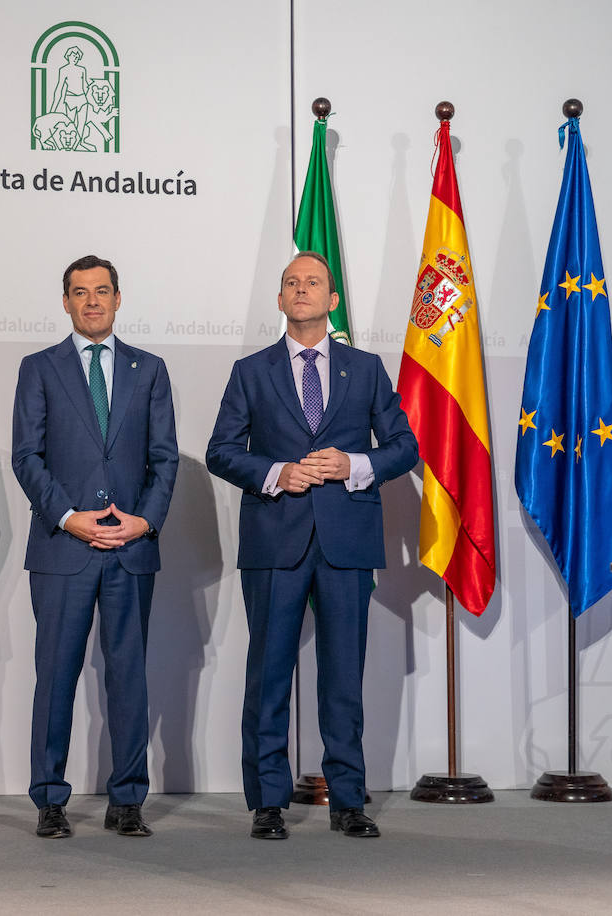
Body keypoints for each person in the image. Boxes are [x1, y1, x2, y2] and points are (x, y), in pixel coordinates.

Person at [205, 251, 417, 840]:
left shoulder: (366, 368)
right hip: (276, 540)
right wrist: (277, 473)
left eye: (313, 283)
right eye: (291, 283)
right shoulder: (251, 371)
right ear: (279, 300)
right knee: (269, 675)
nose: (301, 290)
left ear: (333, 300)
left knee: (343, 678)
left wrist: (353, 463)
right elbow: (221, 450)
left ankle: (348, 800)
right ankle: (267, 802)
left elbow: (404, 447)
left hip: (347, 543)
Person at [11, 255, 178, 839]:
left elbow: (164, 459)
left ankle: (127, 799)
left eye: (101, 291)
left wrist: (146, 523)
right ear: (65, 302)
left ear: (118, 297)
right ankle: (50, 799)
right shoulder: (39, 368)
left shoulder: (150, 369)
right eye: (79, 293)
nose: (91, 301)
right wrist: (67, 516)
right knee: (56, 675)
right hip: (63, 548)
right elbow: (26, 456)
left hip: (131, 548)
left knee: (128, 674)